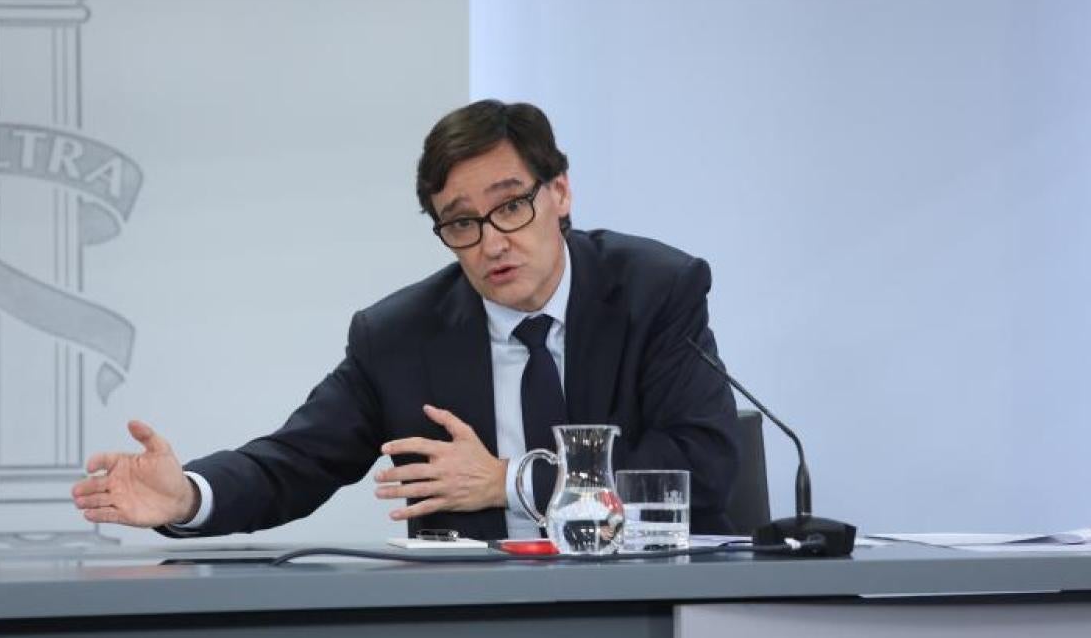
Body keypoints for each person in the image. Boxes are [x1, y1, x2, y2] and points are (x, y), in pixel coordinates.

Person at [71, 100, 740, 540]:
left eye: (511, 206)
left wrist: (509, 481)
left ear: (559, 192)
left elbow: (701, 463)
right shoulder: (400, 336)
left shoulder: (655, 290)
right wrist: (189, 496)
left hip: (649, 608)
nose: (492, 242)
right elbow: (296, 460)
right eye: (461, 223)